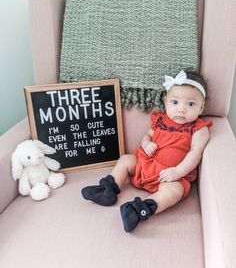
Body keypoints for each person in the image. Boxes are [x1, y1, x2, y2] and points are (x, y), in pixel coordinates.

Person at [81, 70, 212, 232]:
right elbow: (147, 136)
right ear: (165, 102)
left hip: (170, 176)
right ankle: (108, 189)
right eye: (175, 102)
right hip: (145, 163)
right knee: (126, 160)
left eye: (190, 104)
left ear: (201, 107)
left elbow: (195, 153)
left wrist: (178, 171)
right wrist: (146, 144)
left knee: (174, 192)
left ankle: (140, 209)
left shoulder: (199, 129)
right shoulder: (160, 120)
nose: (181, 110)